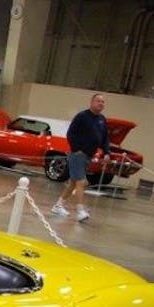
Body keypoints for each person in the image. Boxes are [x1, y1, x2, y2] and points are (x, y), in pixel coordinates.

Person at [53, 93, 110, 222]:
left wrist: (106, 152)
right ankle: (80, 210)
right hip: (78, 155)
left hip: (89, 156)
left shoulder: (102, 119)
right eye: (98, 101)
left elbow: (105, 137)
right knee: (81, 182)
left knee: (73, 183)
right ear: (92, 102)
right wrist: (76, 149)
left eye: (103, 102)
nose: (101, 103)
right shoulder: (82, 116)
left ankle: (58, 205)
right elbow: (71, 133)